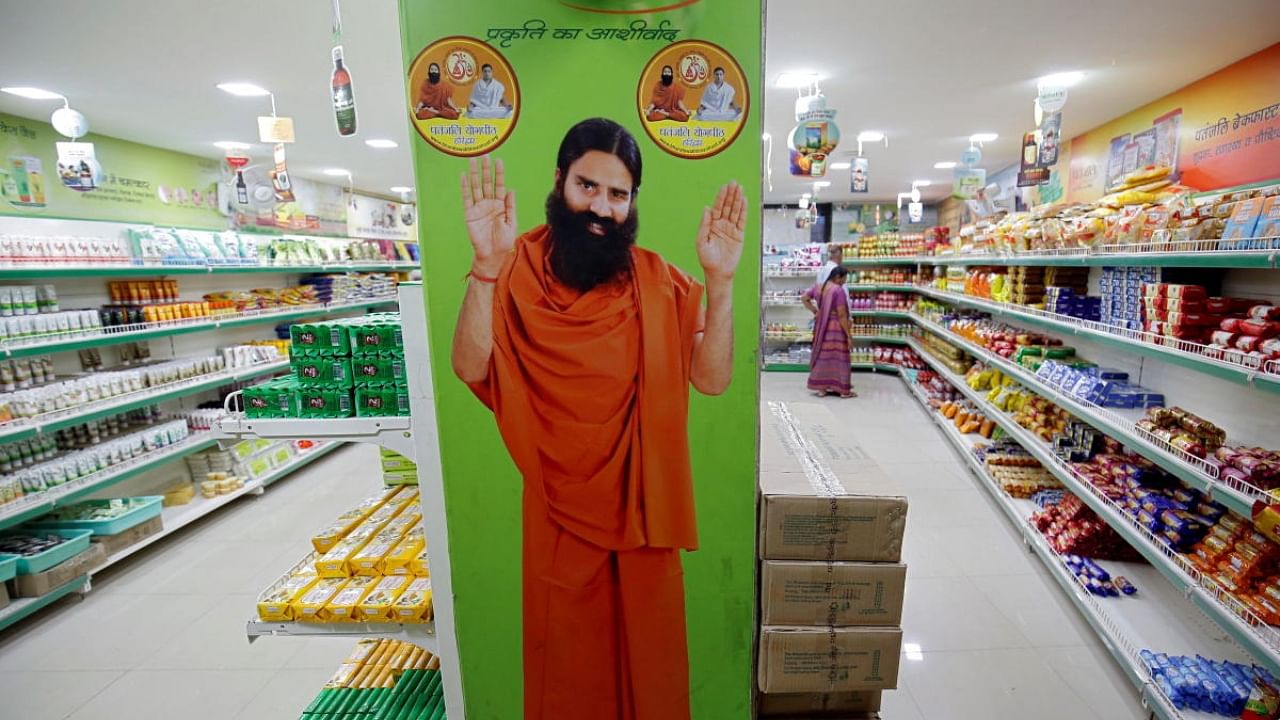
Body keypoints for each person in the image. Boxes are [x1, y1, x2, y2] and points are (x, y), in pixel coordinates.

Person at [452, 118, 745, 720]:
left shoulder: (659, 282)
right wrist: (485, 264)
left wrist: (721, 282)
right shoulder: (514, 267)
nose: (602, 208)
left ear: (633, 201)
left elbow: (712, 379)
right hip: (559, 519)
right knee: (567, 679)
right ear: (560, 181)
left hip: (643, 517)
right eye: (588, 186)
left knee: (652, 677)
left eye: (619, 194)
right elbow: (468, 364)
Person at [803, 266, 855, 397]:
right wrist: (848, 335)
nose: (844, 282)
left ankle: (822, 389)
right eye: (844, 279)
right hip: (836, 327)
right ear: (838, 277)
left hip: (821, 326)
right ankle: (842, 391)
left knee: (823, 355)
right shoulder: (838, 290)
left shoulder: (818, 286)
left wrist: (815, 311)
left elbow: (804, 298)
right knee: (840, 356)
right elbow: (842, 315)